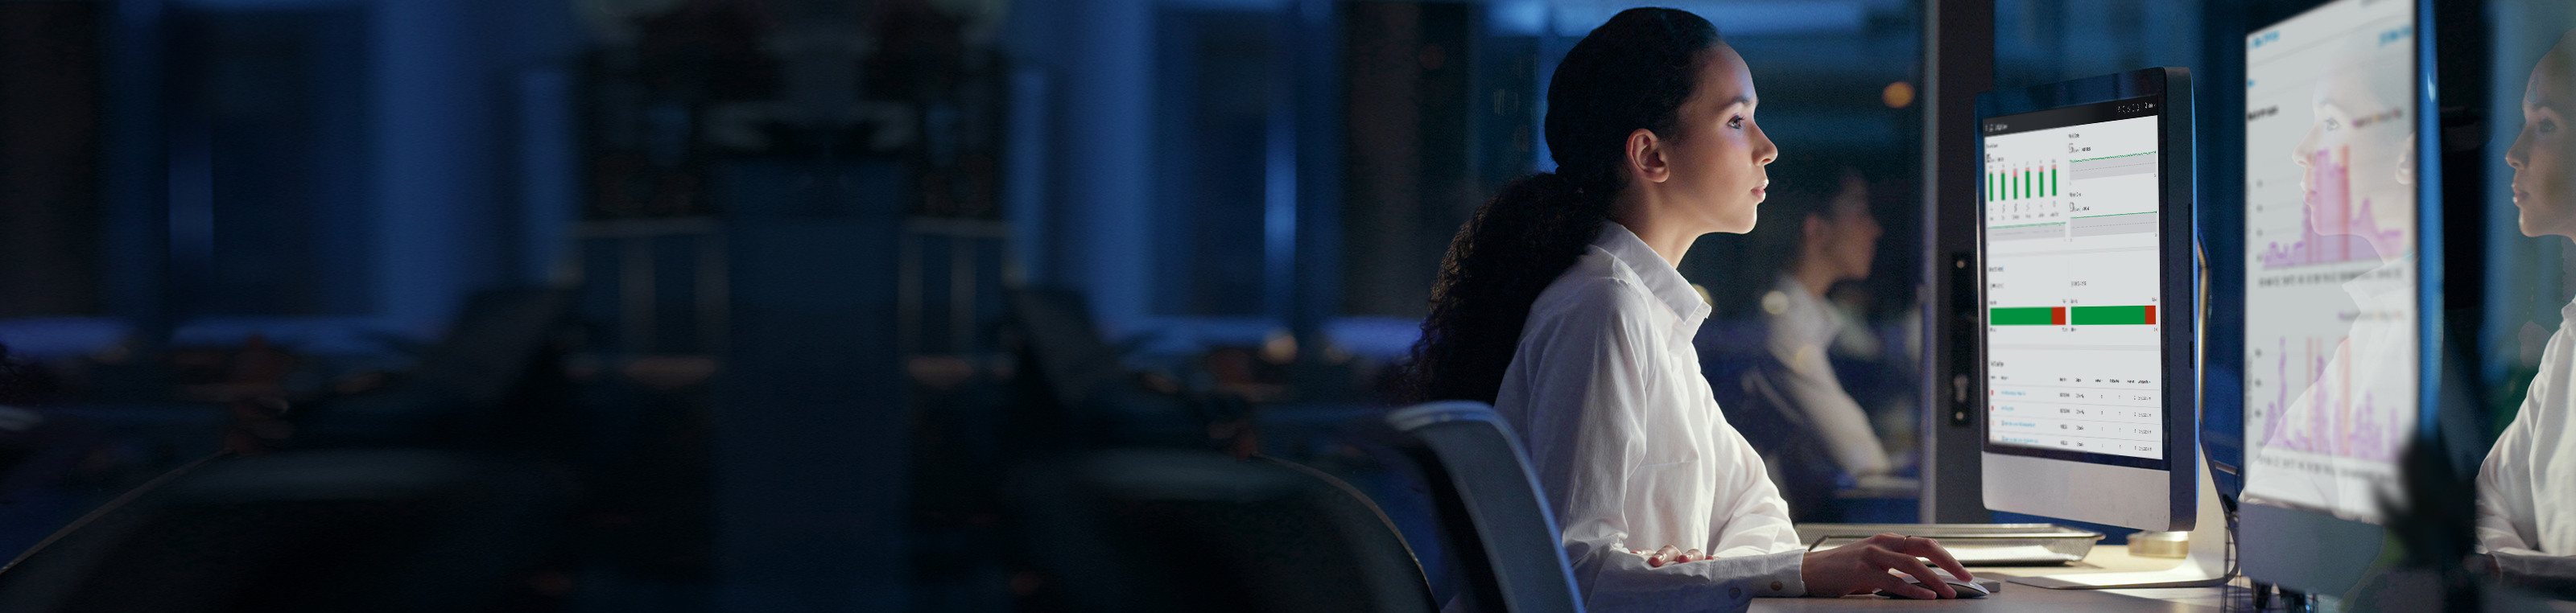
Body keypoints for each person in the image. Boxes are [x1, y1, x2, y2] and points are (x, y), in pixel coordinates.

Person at [1401, 8, 1973, 609]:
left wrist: (1704, 570)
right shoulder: (1605, 307)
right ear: (1651, 156)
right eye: (1737, 120)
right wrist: (1791, 573)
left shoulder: (1652, 311)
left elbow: (1757, 507)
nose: (1768, 148)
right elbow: (1570, 578)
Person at [2479, 29, 2576, 596]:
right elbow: (2487, 504)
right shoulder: (2567, 350)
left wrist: (2514, 571)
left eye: (2544, 125)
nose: (2513, 152)